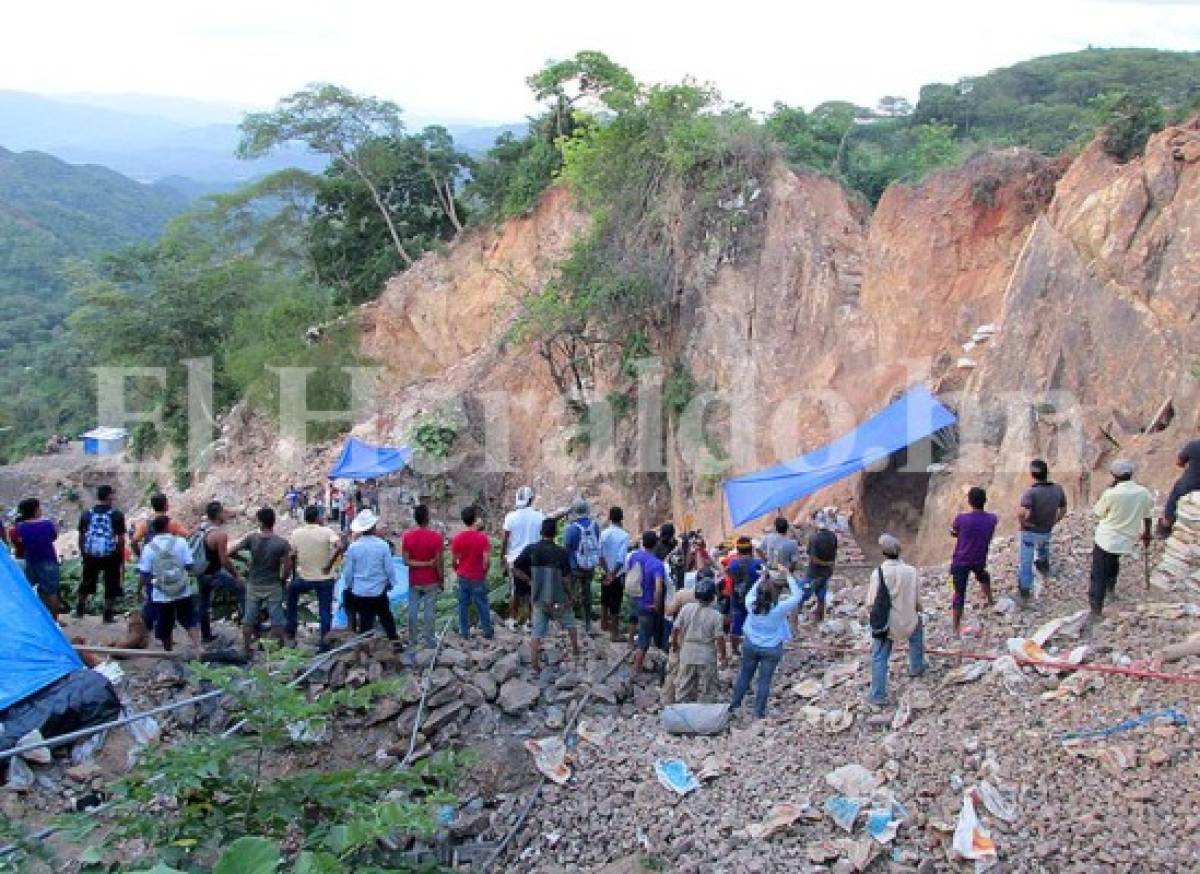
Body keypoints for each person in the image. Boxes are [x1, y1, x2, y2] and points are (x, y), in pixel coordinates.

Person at [729, 571, 803, 719]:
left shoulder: (750, 604)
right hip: (772, 647)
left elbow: (751, 592)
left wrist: (761, 578)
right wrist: (788, 575)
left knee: (744, 676)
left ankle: (734, 706)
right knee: (764, 680)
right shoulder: (779, 608)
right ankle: (758, 713)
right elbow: (797, 595)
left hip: (751, 644)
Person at [866, 534, 928, 706]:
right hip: (908, 620)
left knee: (879, 656)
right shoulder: (911, 571)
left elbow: (871, 602)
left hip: (887, 624)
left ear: (883, 552)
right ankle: (917, 667)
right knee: (917, 635)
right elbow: (917, 601)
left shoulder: (878, 573)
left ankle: (878, 694)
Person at [1089, 459, 1154, 623]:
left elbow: (1099, 513)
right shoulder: (1143, 492)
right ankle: (1111, 588)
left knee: (1098, 573)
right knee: (1114, 561)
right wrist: (1147, 534)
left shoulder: (1111, 493)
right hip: (1126, 540)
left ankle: (1096, 608)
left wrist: (1109, 490)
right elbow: (1148, 516)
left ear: (1114, 476)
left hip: (1107, 538)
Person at [512, 518, 580, 672]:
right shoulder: (562, 552)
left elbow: (515, 568)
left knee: (537, 631)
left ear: (541, 532)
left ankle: (535, 664)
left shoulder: (531, 549)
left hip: (539, 597)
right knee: (570, 623)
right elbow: (566, 579)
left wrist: (529, 580)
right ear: (555, 533)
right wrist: (570, 596)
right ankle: (576, 652)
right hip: (558, 598)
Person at [230, 507, 291, 657]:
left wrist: (246, 560)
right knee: (277, 616)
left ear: (260, 522)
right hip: (273, 583)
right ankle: (277, 648)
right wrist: (283, 579)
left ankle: (246, 647)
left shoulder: (251, 539)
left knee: (249, 617)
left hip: (253, 583)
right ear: (273, 522)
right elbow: (287, 566)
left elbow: (231, 552)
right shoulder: (281, 543)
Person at [137, 515, 200, 653]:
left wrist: (140, 589)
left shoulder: (149, 548)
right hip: (182, 589)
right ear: (167, 526)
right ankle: (198, 647)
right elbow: (189, 565)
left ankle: (168, 651)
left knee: (165, 623)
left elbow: (144, 573)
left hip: (161, 592)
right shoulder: (181, 542)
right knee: (189, 618)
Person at [286, 505, 345, 649]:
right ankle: (325, 643)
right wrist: (329, 564)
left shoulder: (296, 533)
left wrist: (293, 575)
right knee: (325, 610)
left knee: (291, 595)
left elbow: (291, 555)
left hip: (305, 578)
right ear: (318, 517)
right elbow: (340, 546)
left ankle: (291, 631)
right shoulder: (326, 531)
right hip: (325, 578)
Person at [342, 509, 401, 643]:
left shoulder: (354, 547)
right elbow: (389, 568)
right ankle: (394, 641)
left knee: (365, 619)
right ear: (373, 527)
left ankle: (365, 647)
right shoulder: (382, 546)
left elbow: (348, 572)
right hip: (379, 589)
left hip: (360, 591)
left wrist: (349, 585)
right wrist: (391, 583)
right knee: (386, 616)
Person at [1016, 458, 1068, 604]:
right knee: (1043, 547)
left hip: (1031, 532)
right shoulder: (1058, 489)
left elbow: (1021, 513)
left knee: (1026, 560)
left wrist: (1024, 523)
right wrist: (1054, 521)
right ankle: (1044, 567)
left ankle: (1025, 591)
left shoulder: (1031, 493)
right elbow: (1064, 509)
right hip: (1046, 530)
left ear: (1032, 475)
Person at [949, 487, 999, 635]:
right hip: (979, 558)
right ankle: (990, 600)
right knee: (983, 576)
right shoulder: (992, 519)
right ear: (985, 501)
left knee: (958, 593)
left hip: (960, 560)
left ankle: (955, 627)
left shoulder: (961, 519)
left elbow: (954, 531)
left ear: (969, 501)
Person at [670, 576, 728, 703]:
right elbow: (720, 639)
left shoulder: (686, 609)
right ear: (713, 596)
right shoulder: (716, 616)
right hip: (706, 654)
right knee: (709, 687)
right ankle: (705, 714)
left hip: (687, 651)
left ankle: (682, 712)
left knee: (684, 684)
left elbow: (675, 629)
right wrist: (723, 657)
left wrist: (674, 644)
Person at [76, 484, 127, 623]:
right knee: (111, 583)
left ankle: (80, 609)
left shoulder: (87, 513)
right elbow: (121, 538)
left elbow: (81, 535)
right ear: (109, 496)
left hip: (90, 554)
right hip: (111, 555)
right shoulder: (117, 514)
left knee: (86, 580)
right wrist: (119, 554)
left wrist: (84, 552)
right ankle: (107, 615)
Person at [197, 501, 246, 644]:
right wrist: (236, 576)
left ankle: (205, 635)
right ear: (218, 514)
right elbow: (224, 560)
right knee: (242, 590)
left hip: (201, 572)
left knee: (203, 604)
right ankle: (250, 627)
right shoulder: (219, 535)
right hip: (215, 572)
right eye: (224, 512)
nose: (226, 515)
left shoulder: (201, 529)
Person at [402, 504, 444, 649]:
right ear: (428, 518)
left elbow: (406, 561)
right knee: (429, 611)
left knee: (412, 610)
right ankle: (430, 640)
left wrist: (421, 564)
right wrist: (441, 579)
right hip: (431, 579)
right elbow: (438, 562)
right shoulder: (436, 538)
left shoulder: (407, 537)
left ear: (415, 519)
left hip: (414, 580)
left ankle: (412, 640)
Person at [502, 486, 543, 627]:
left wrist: (503, 557)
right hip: (534, 558)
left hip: (515, 559)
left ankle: (513, 620)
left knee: (515, 591)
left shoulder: (510, 517)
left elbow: (506, 539)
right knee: (533, 589)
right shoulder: (539, 516)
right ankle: (531, 621)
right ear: (531, 499)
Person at [627, 530, 667, 675]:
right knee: (645, 635)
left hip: (635, 598)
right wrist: (656, 605)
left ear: (642, 542)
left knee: (637, 624)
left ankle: (630, 644)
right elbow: (658, 588)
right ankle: (636, 669)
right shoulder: (657, 564)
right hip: (647, 604)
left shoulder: (634, 557)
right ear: (656, 544)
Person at [451, 505, 494, 639]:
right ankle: (487, 631)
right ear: (475, 519)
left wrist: (457, 570)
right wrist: (484, 572)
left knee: (463, 604)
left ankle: (464, 632)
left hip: (463, 575)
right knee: (482, 603)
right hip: (478, 576)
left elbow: (454, 560)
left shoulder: (457, 538)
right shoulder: (482, 538)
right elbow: (486, 561)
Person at [15, 498, 60, 616]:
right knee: (52, 592)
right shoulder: (47, 524)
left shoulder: (20, 527)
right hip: (49, 560)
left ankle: (31, 617)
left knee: (28, 590)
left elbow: (19, 543)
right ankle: (54, 621)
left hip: (31, 561)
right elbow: (54, 537)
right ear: (35, 511)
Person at [563, 497, 602, 633]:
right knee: (587, 593)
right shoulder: (595, 525)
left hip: (574, 567)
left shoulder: (571, 528)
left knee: (569, 593)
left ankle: (569, 622)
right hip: (590, 566)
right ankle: (587, 623)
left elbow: (567, 548)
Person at [598, 506, 631, 641]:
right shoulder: (624, 535)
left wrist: (607, 573)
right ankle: (614, 633)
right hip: (617, 575)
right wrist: (613, 574)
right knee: (615, 603)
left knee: (605, 600)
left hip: (605, 572)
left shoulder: (604, 533)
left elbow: (600, 556)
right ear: (621, 519)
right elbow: (620, 558)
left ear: (610, 518)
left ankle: (604, 625)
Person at [727, 537, 763, 656]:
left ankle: (735, 649)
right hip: (754, 598)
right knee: (756, 622)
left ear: (738, 550)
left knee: (737, 623)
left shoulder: (733, 564)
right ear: (751, 549)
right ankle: (756, 647)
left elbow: (729, 574)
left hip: (738, 597)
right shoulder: (757, 563)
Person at [797, 520, 839, 623]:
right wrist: (829, 565)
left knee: (801, 594)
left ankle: (795, 617)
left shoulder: (814, 538)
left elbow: (813, 559)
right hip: (826, 573)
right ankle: (820, 619)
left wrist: (825, 563)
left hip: (813, 572)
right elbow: (834, 553)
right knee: (821, 595)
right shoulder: (833, 537)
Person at [1160, 438, 1200, 537]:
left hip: (1190, 483)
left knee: (1174, 498)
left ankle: (1166, 525)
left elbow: (1179, 462)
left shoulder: (1194, 445)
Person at [130, 493, 188, 557]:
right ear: (166, 505)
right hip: (170, 560)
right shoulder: (172, 523)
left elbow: (133, 542)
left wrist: (140, 556)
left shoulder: (144, 525)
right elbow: (186, 535)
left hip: (152, 562)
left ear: (153, 506)